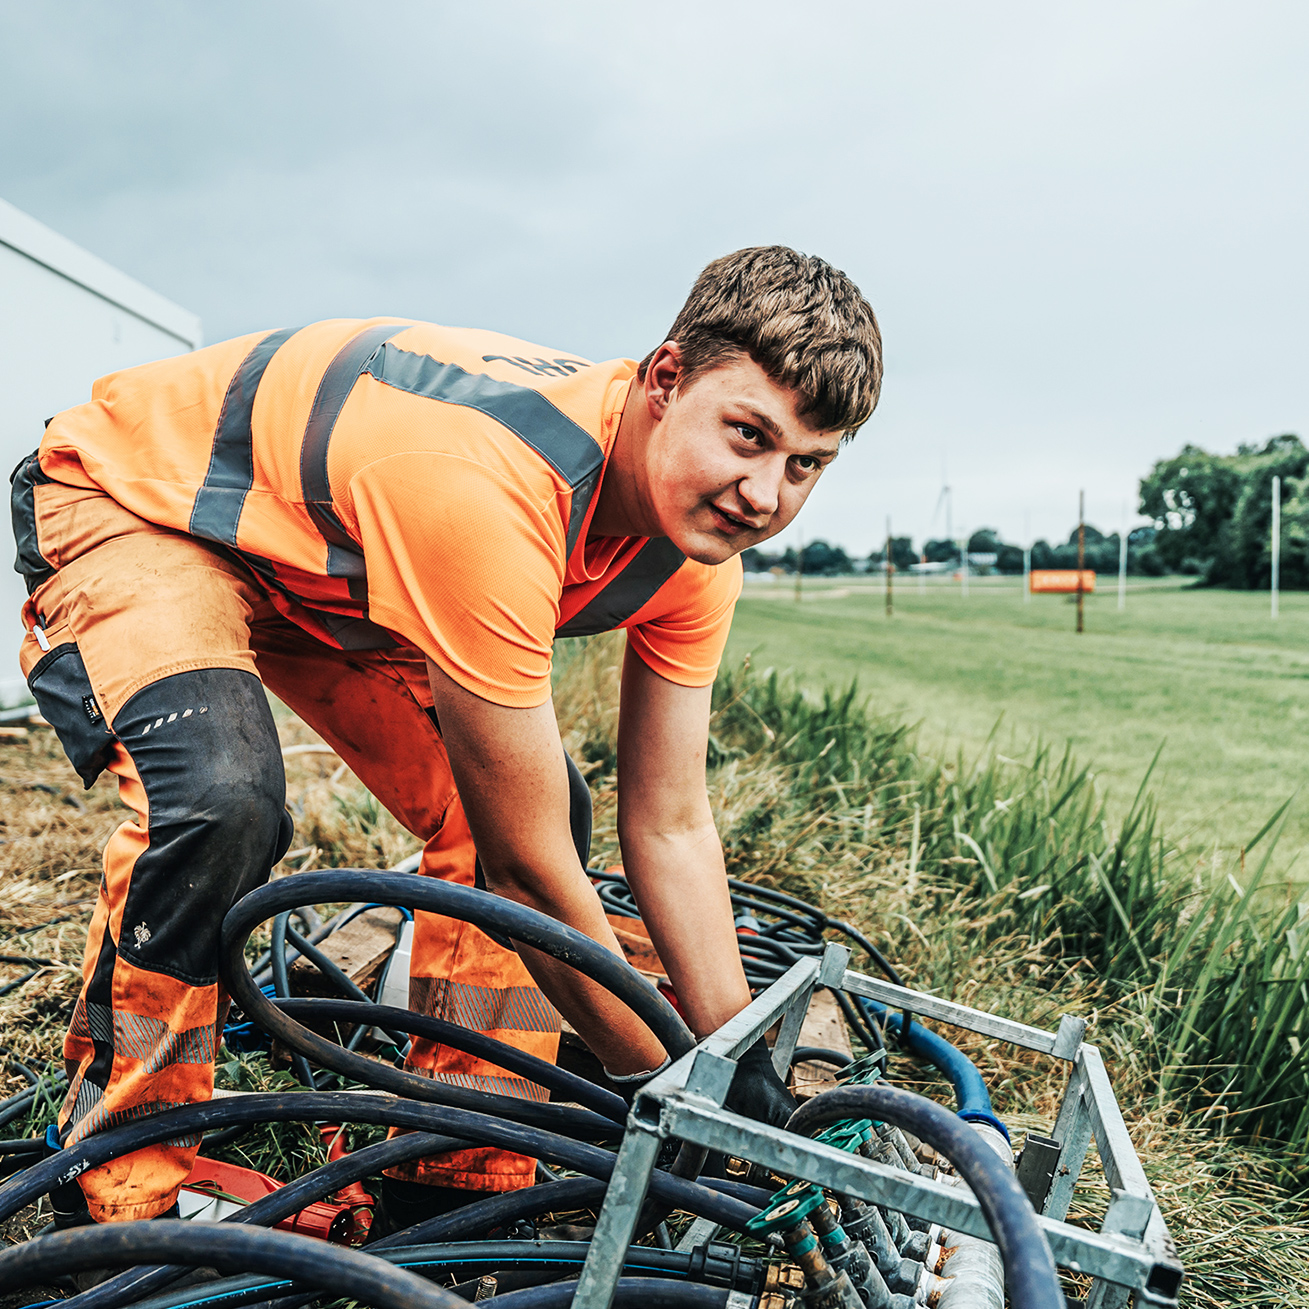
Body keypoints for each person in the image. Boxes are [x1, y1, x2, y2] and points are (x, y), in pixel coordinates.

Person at [11, 245, 882, 1231]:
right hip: (144, 503)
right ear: (665, 378)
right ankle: (116, 1193)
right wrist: (667, 1078)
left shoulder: (696, 561)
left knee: (519, 804)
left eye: (805, 464)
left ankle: (458, 1160)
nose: (765, 495)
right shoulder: (495, 489)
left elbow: (672, 825)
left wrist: (734, 1057)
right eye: (746, 436)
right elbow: (526, 874)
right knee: (219, 801)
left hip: (318, 572)